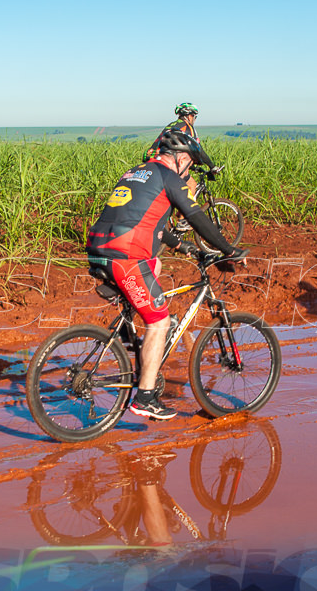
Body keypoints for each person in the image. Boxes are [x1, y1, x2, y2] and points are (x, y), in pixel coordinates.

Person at [87, 130, 245, 420]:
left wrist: (182, 246)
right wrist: (227, 249)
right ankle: (145, 398)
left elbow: (143, 217)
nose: (189, 171)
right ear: (182, 158)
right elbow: (197, 216)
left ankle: (129, 329)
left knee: (155, 266)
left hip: (99, 247)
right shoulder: (169, 177)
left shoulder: (136, 172)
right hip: (125, 255)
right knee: (159, 320)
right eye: (190, 165)